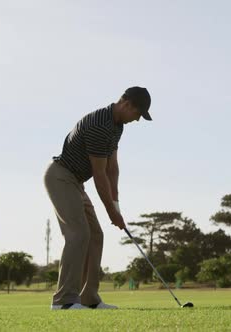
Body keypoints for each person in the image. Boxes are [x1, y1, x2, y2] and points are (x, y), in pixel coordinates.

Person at [44, 87, 152, 310]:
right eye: (138, 114)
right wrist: (112, 213)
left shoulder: (117, 126)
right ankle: (64, 301)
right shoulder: (100, 125)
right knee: (78, 234)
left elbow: (112, 169)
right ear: (127, 104)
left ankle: (89, 298)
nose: (137, 120)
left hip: (76, 182)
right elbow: (99, 175)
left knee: (95, 235)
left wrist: (116, 205)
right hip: (61, 177)